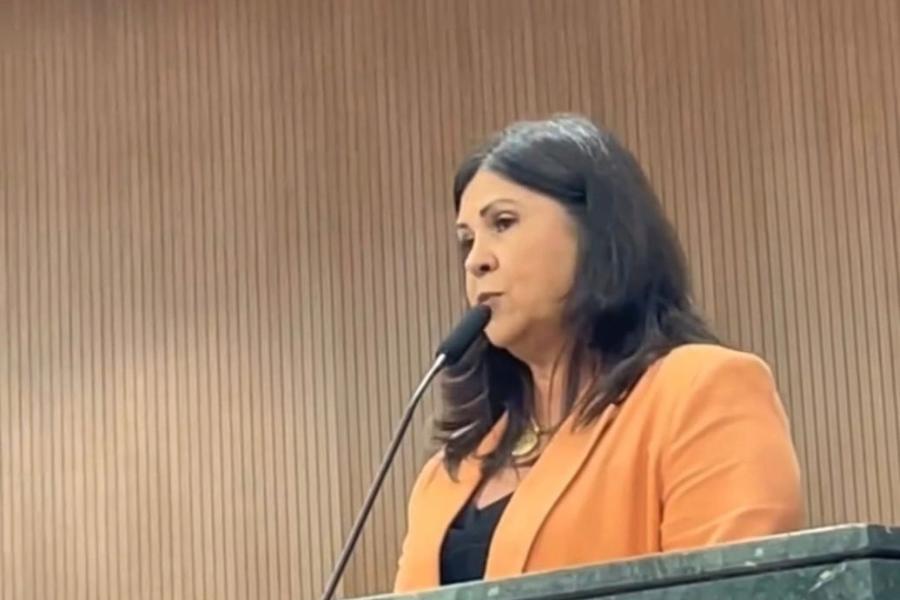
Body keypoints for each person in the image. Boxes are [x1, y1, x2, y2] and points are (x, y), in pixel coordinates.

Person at [393, 115, 804, 592]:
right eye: (467, 240)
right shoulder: (449, 470)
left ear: (596, 234)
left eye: (503, 223)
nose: (475, 260)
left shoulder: (701, 393)